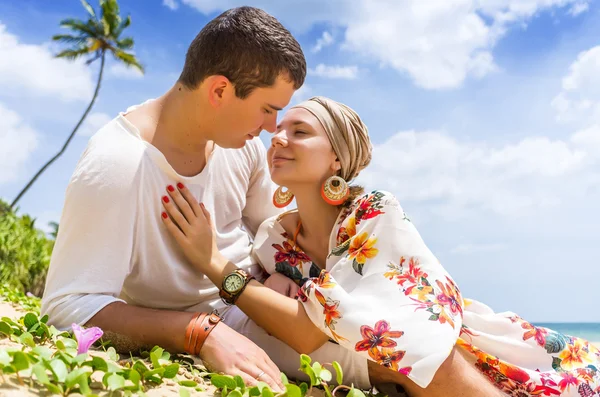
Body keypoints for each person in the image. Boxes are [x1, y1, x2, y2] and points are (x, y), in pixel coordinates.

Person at [160, 96, 600, 397]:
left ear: (337, 159)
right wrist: (273, 280)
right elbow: (286, 311)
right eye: (279, 130)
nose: (278, 137)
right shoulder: (274, 237)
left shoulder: (373, 211)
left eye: (300, 131)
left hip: (459, 344)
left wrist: (213, 263)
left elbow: (310, 329)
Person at [41, 6, 319, 391]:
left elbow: (278, 235)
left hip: (270, 306)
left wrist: (281, 273)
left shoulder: (243, 147)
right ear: (220, 90)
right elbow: (66, 308)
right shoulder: (119, 164)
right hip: (236, 326)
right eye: (268, 109)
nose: (273, 128)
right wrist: (198, 332)